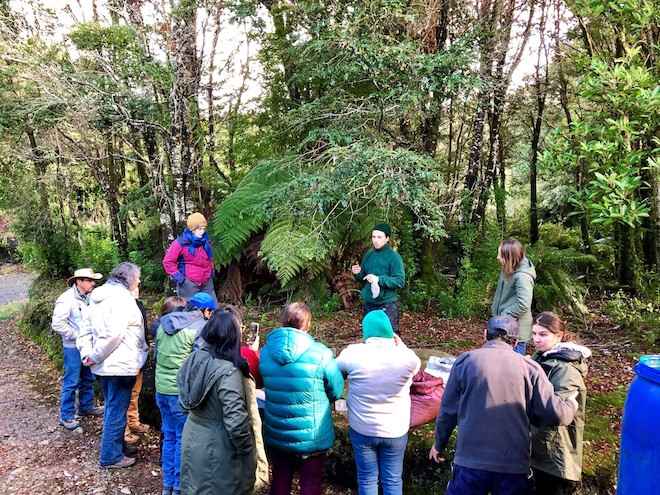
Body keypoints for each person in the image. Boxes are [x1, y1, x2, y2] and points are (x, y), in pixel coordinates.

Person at [429, 315, 579, 495]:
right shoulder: (530, 368)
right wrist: (570, 403)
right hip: (513, 466)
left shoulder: (465, 362)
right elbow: (555, 414)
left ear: (485, 334)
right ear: (515, 341)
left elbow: (448, 411)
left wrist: (439, 444)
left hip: (470, 462)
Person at [259, 302, 345, 495]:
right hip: (312, 436)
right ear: (307, 324)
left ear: (283, 321)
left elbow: (261, 380)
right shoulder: (321, 353)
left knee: (280, 481)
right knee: (311, 483)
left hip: (277, 431)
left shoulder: (265, 353)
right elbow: (336, 390)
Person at [336, 310, 421, 495]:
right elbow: (416, 364)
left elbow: (336, 368)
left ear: (366, 332)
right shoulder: (407, 358)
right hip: (395, 430)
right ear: (391, 333)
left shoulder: (353, 353)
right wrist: (401, 344)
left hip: (363, 428)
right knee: (392, 479)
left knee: (367, 478)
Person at [77, 262, 147, 469]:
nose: (140, 282)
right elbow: (114, 335)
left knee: (113, 406)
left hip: (106, 365)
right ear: (130, 279)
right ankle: (111, 457)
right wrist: (94, 356)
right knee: (117, 409)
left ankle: (118, 446)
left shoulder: (97, 297)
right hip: (119, 364)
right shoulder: (122, 299)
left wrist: (87, 355)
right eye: (138, 278)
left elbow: (85, 329)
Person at [178, 309, 256, 495]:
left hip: (192, 436)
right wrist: (248, 451)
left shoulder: (193, 358)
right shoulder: (228, 372)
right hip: (217, 446)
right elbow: (236, 423)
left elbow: (183, 397)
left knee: (194, 487)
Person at [155, 292, 218, 495]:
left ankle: (168, 485)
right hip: (180, 393)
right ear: (205, 311)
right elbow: (200, 364)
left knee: (170, 437)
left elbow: (156, 355)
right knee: (183, 439)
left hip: (161, 390)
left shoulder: (164, 324)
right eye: (211, 312)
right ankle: (179, 487)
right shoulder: (200, 328)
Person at [530, 312, 590, 495]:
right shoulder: (542, 357)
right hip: (539, 448)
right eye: (534, 333)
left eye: (543, 334)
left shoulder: (565, 369)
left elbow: (559, 413)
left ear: (559, 336)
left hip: (556, 456)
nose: (536, 339)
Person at [52, 268, 104, 430]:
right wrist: (77, 336)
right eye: (89, 280)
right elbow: (57, 324)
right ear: (79, 281)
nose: (93, 283)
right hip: (73, 347)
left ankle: (86, 406)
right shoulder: (66, 299)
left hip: (88, 346)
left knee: (88, 378)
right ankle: (66, 416)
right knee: (71, 381)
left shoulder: (91, 297)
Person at [351, 223, 405, 333]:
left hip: (387, 304)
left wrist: (379, 279)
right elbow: (363, 278)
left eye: (379, 237)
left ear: (387, 238)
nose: (376, 240)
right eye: (373, 237)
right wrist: (357, 273)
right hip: (369, 303)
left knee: (390, 336)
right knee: (371, 335)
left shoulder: (393, 257)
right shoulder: (369, 254)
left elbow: (400, 281)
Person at [491, 238, 536, 354]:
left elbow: (523, 304)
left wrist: (505, 316)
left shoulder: (522, 277)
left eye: (500, 255)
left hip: (515, 333)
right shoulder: (508, 268)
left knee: (511, 369)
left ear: (510, 257)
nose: (497, 257)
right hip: (504, 327)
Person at [162, 212, 216, 301]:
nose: (202, 232)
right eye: (199, 229)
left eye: (203, 228)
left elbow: (209, 258)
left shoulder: (205, 240)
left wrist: (211, 271)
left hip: (207, 282)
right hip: (189, 284)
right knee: (191, 313)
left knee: (212, 309)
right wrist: (181, 279)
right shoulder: (180, 243)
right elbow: (168, 262)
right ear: (192, 229)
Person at [125, 286, 151, 445]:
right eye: (135, 284)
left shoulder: (138, 304)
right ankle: (124, 431)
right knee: (125, 395)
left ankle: (134, 422)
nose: (139, 286)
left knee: (135, 392)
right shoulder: (121, 305)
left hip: (139, 354)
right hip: (127, 356)